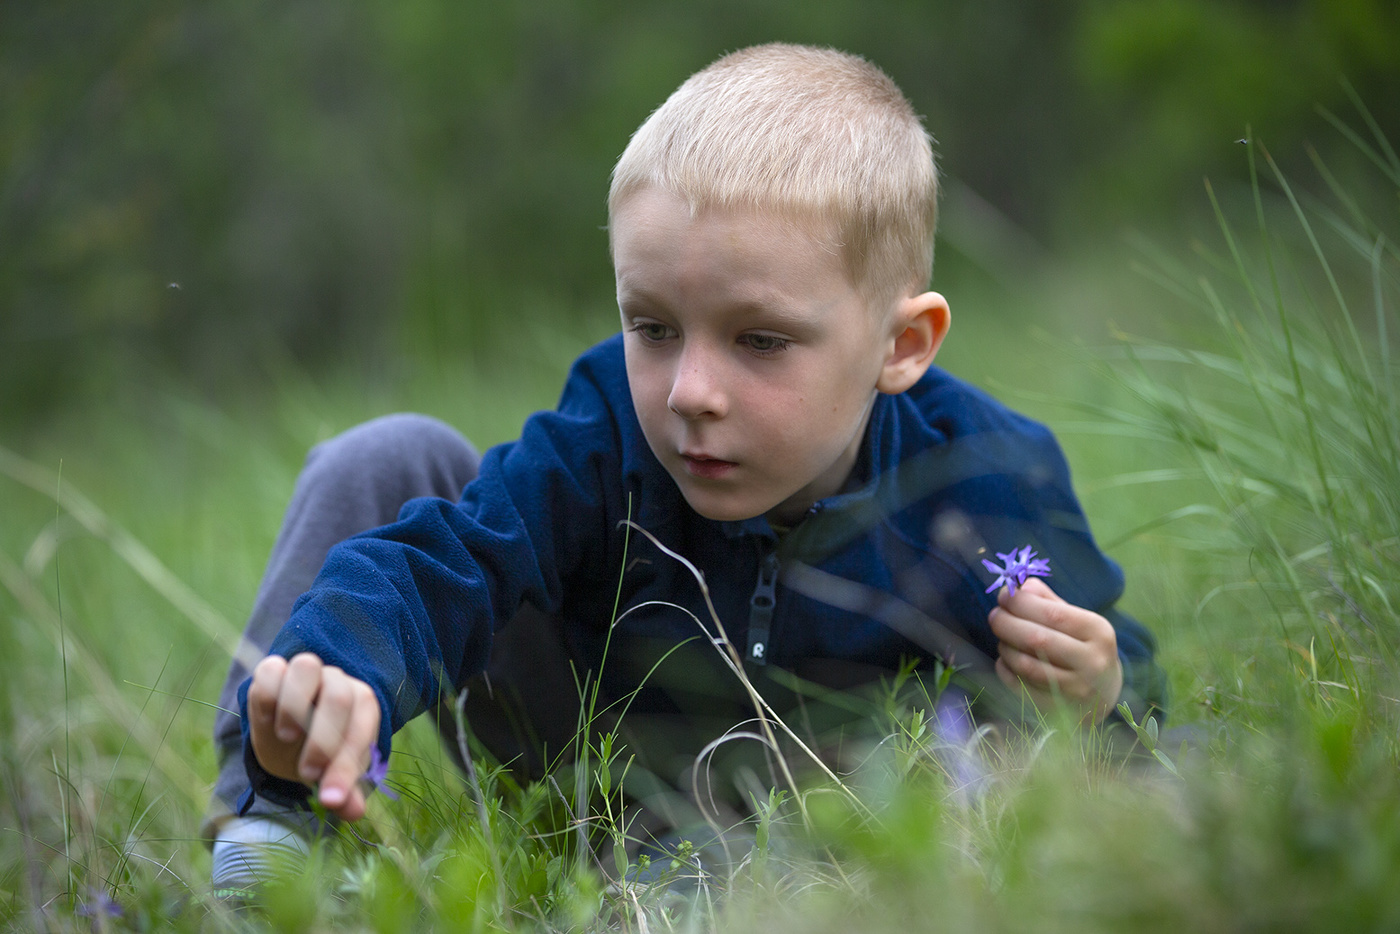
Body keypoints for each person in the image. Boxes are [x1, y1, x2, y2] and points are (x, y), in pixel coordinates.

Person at [207, 42, 1166, 889]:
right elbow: (455, 560)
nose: (688, 391)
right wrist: (336, 673)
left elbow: (1128, 684)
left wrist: (1098, 692)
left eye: (759, 341)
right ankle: (273, 823)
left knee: (1007, 740)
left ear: (901, 344)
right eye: (654, 327)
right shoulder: (608, 430)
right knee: (389, 456)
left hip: (822, 797)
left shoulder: (985, 475)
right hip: (580, 754)